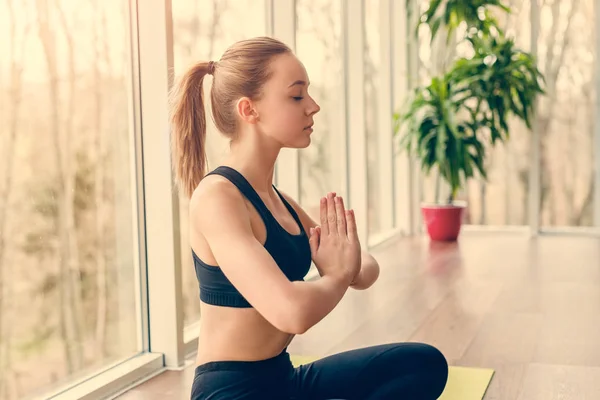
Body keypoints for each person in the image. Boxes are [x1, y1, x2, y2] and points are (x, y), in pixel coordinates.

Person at [169, 36, 448, 400]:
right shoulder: (217, 198)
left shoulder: (278, 200)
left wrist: (345, 260)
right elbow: (291, 312)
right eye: (297, 95)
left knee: (422, 364)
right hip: (231, 392)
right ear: (249, 110)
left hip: (283, 381)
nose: (313, 106)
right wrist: (337, 274)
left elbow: (364, 271)